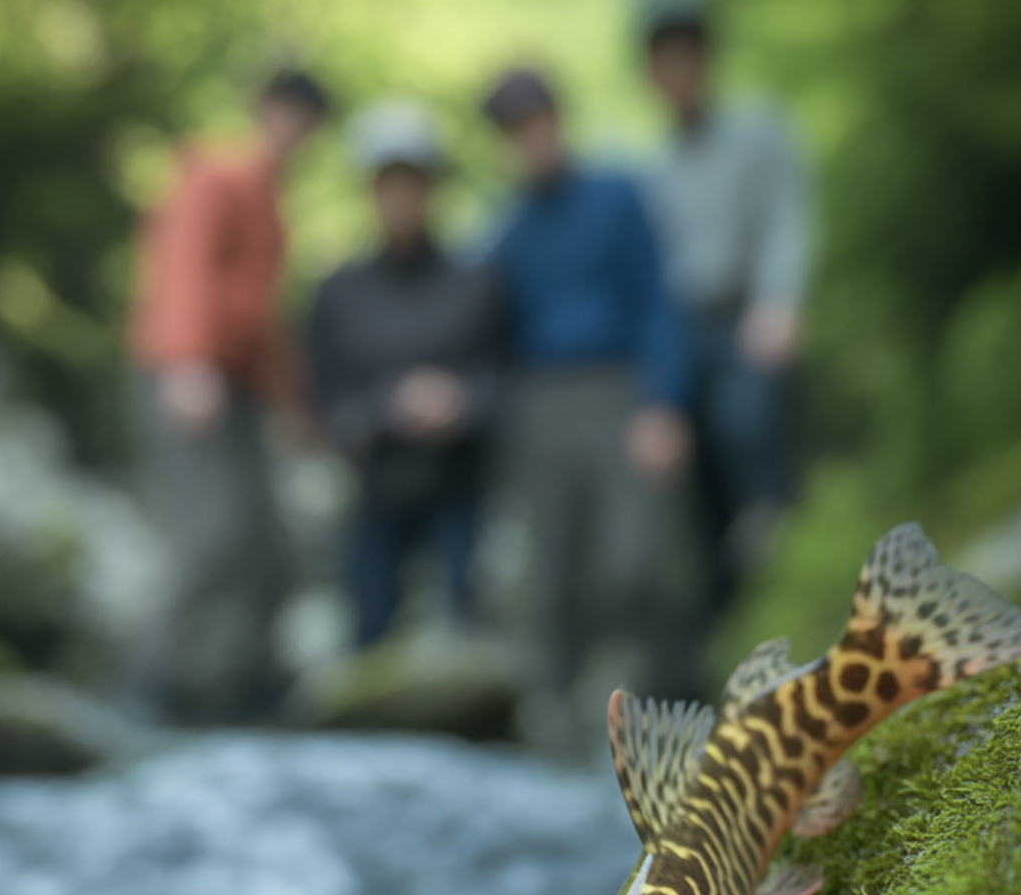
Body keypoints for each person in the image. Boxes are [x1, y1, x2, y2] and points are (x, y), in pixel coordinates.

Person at [481, 68, 691, 751]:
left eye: (534, 122)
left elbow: (657, 300)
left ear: (556, 119)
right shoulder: (502, 233)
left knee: (632, 561)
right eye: (511, 131)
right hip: (537, 402)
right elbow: (482, 335)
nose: (527, 140)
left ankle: (671, 703)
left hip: (618, 388)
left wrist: (662, 402)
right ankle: (561, 725)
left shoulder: (617, 195)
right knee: (554, 569)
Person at [125, 68, 329, 721]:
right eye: (286, 112)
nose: (294, 129)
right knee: (212, 531)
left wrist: (295, 409)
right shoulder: (215, 173)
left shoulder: (274, 207)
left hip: (239, 391)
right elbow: (182, 268)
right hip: (186, 375)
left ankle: (254, 678)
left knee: (275, 542)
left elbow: (263, 324)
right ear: (262, 109)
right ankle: (152, 679)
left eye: (307, 119)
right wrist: (188, 362)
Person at [307, 101, 506, 648]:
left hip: (459, 488)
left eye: (412, 184)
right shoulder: (339, 292)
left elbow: (505, 380)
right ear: (369, 192)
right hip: (378, 491)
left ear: (432, 189)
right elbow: (327, 401)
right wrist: (388, 406)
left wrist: (460, 403)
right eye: (387, 185)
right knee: (366, 634)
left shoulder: (476, 281)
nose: (400, 200)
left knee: (462, 634)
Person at [641, 0, 813, 620]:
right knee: (698, 486)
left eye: (688, 53)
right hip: (681, 331)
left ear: (707, 58)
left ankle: (780, 568)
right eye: (665, 58)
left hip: (746, 313)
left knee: (753, 439)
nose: (678, 68)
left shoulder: (760, 131)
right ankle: (727, 613)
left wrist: (781, 301)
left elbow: (786, 222)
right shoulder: (650, 165)